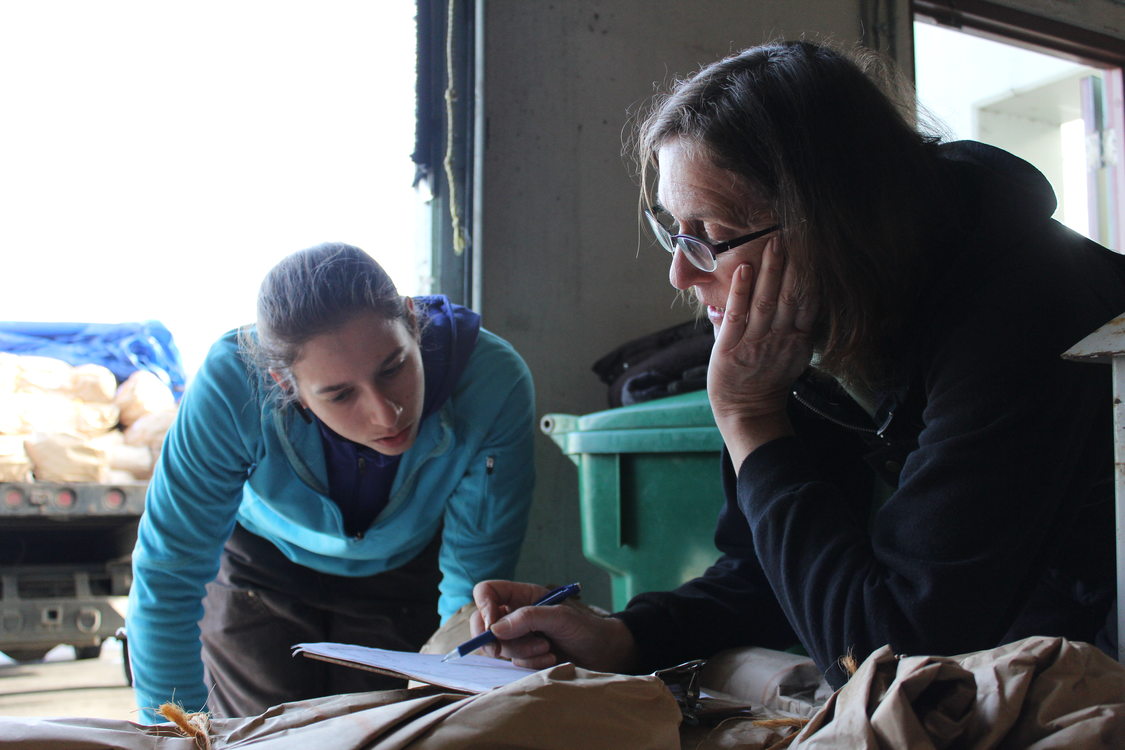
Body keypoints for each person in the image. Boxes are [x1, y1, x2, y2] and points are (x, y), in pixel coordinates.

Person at [471, 40, 1124, 688]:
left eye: (710, 236)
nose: (679, 271)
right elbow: (769, 571)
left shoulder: (1022, 313)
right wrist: (623, 634)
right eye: (672, 229)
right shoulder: (823, 311)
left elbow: (889, 653)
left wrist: (747, 416)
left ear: (829, 220)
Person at [127, 243, 536, 721]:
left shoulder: (493, 382)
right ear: (284, 383)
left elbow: (470, 595)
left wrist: (465, 694)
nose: (387, 414)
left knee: (384, 732)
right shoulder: (230, 386)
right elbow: (167, 575)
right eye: (340, 394)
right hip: (259, 568)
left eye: (394, 367)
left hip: (403, 574)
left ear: (411, 320)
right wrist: (170, 732)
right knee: (263, 737)